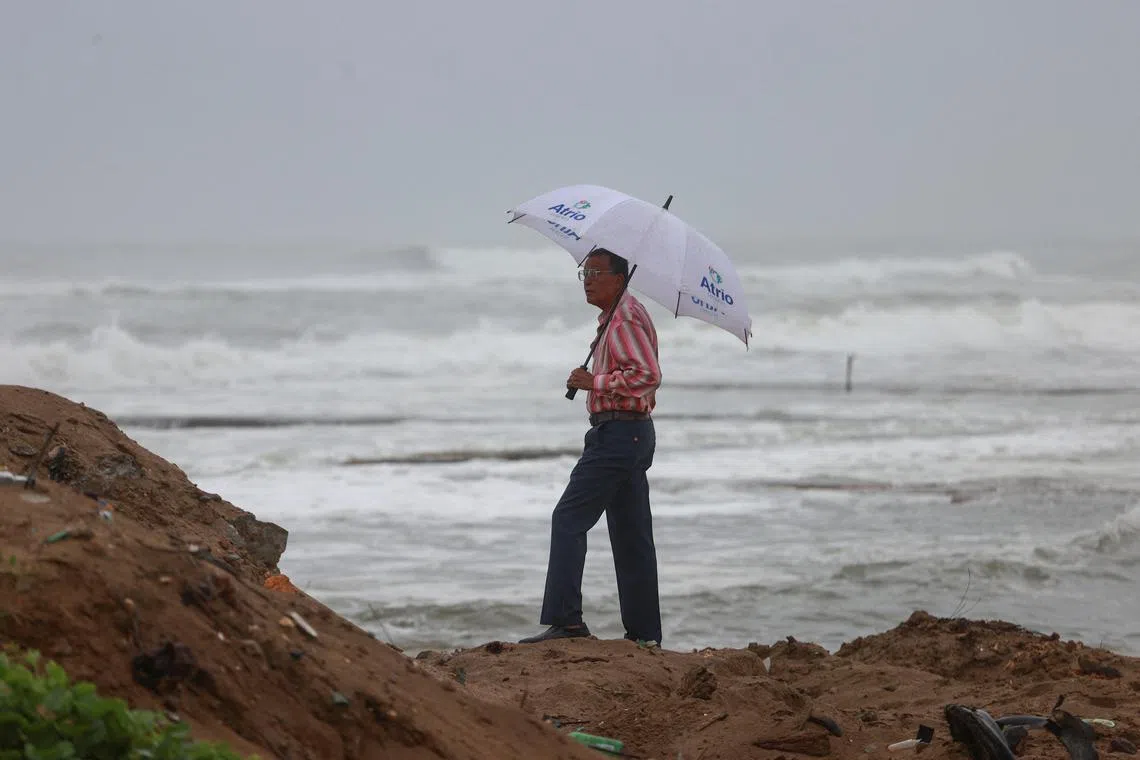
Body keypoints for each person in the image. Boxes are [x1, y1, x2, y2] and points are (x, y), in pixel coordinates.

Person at [518, 248, 663, 646]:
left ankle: (566, 622)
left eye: (597, 273)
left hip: (619, 435)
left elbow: (647, 375)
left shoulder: (625, 317)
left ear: (620, 278)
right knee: (632, 536)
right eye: (585, 272)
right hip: (629, 434)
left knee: (568, 518)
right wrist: (592, 378)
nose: (588, 280)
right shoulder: (614, 318)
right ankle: (645, 636)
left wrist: (593, 383)